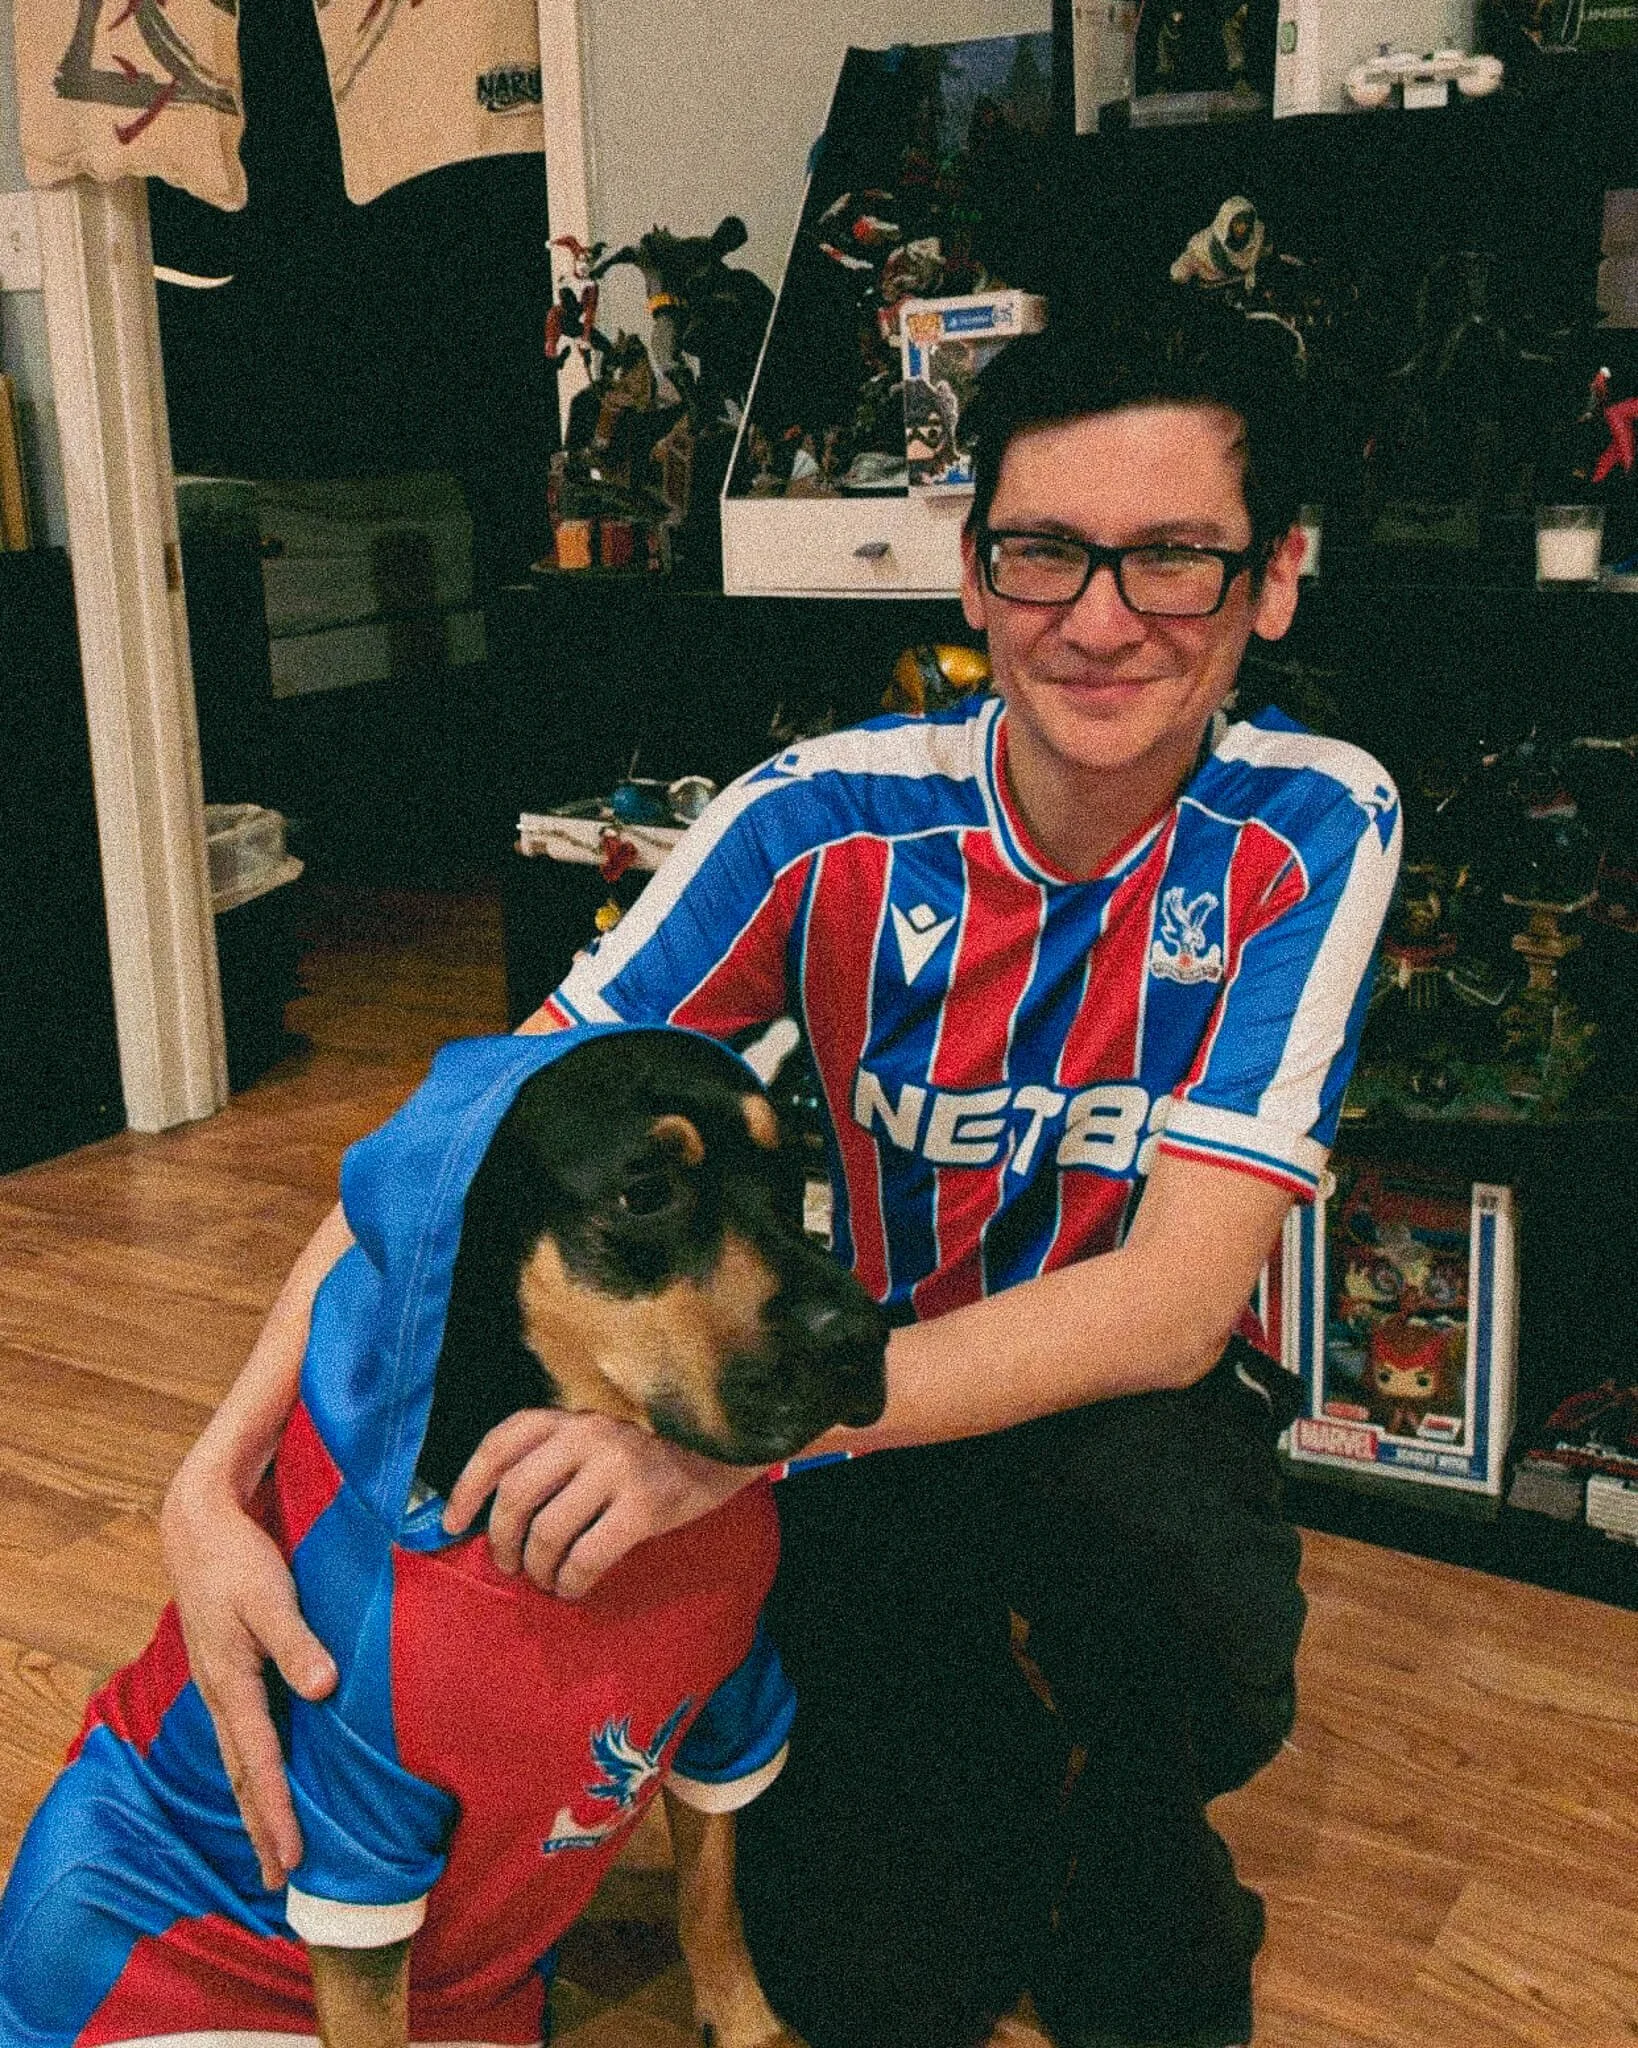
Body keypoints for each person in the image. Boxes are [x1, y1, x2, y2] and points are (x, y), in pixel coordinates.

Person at [162, 290, 1401, 2048]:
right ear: (972, 577)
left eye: (1174, 561)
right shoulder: (811, 821)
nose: (1100, 621)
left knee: (1195, 1667)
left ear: (1271, 581)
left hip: (1079, 1408)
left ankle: (1125, 1818)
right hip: (839, 1385)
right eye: (1043, 555)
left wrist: (704, 1452)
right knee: (872, 1989)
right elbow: (462, 1142)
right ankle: (979, 1770)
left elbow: (1170, 1304)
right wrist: (213, 1479)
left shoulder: (1310, 822)